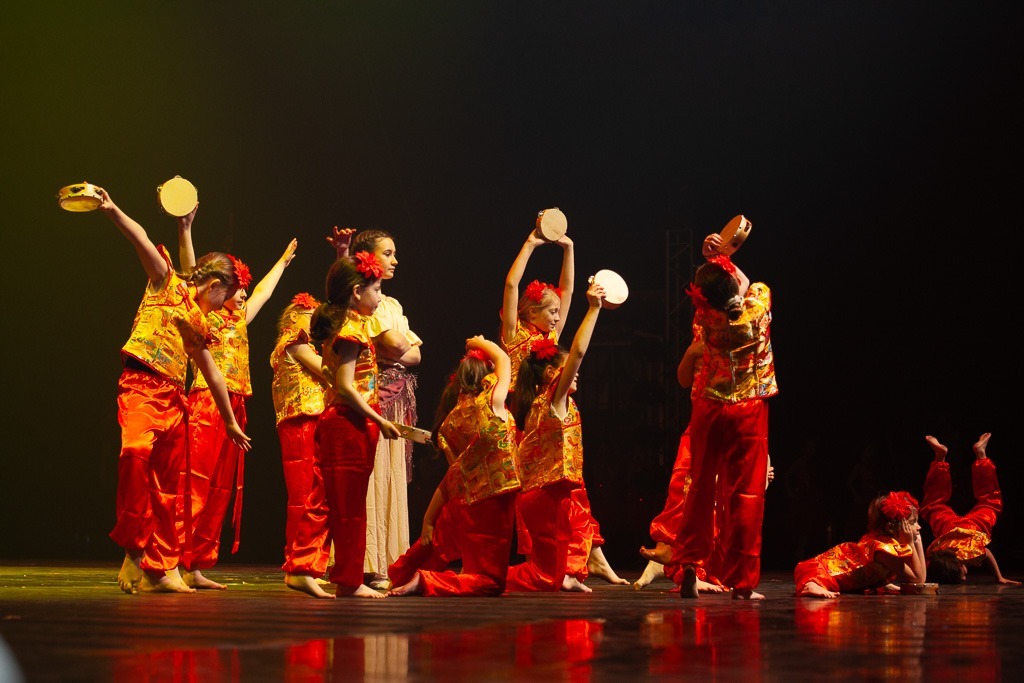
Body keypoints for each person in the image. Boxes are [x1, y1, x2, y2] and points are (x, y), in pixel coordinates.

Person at [93, 186, 251, 594]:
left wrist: (231, 423)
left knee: (172, 489)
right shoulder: (166, 283)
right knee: (135, 453)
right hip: (142, 386)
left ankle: (160, 569)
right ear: (213, 284)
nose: (223, 305)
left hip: (174, 399)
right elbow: (142, 240)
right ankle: (133, 550)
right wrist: (112, 209)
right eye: (224, 296)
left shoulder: (197, 321)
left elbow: (213, 374)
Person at [176, 211, 297, 589]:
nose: (243, 293)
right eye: (236, 288)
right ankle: (174, 561)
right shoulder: (204, 315)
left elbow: (264, 291)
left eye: (243, 289)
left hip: (236, 407)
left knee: (219, 490)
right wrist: (185, 230)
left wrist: (281, 262)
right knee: (195, 482)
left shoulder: (239, 319)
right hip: (206, 403)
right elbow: (191, 271)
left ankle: (196, 565)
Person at [502, 229, 627, 587]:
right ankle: (544, 562)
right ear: (531, 312)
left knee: (574, 488)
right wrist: (529, 244)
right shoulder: (514, 336)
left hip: (549, 421)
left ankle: (591, 556)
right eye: (552, 312)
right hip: (523, 423)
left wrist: (569, 248)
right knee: (533, 499)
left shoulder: (551, 343)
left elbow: (569, 291)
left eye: (558, 313)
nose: (558, 317)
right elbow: (512, 287)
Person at [283, 253, 402, 599]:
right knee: (349, 508)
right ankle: (348, 580)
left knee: (326, 500)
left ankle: (303, 568)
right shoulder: (349, 330)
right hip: (349, 421)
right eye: (376, 289)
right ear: (355, 292)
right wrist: (380, 419)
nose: (380, 296)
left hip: (344, 419)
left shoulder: (343, 324)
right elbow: (346, 384)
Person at [670, 232, 777, 600]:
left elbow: (717, 288)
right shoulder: (757, 306)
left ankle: (687, 564)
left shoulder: (705, 316)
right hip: (747, 407)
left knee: (700, 485)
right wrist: (724, 257)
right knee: (746, 493)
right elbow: (745, 286)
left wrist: (713, 257)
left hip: (709, 406)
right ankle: (742, 582)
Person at [388, 336, 521, 597]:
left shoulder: (451, 421)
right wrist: (479, 342)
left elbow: (453, 475)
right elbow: (504, 359)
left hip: (468, 504)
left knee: (475, 568)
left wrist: (429, 519)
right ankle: (427, 581)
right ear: (486, 377)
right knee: (491, 581)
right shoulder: (492, 403)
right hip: (496, 499)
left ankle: (413, 574)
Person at [328, 227, 423, 590]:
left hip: (393, 404)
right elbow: (395, 343)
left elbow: (412, 352)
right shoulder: (361, 312)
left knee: (390, 479)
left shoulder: (391, 305)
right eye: (387, 253)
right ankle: (359, 567)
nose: (394, 260)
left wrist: (395, 348)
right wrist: (393, 347)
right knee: (365, 485)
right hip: (372, 400)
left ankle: (384, 562)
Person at [505, 280, 605, 593]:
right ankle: (458, 578)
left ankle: (572, 575)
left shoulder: (539, 401)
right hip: (544, 496)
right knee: (543, 578)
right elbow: (577, 352)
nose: (574, 374)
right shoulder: (552, 399)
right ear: (551, 374)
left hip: (550, 492)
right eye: (564, 370)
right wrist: (594, 309)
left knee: (561, 559)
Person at [271, 292, 333, 580]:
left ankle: (308, 557)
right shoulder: (296, 343)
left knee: (309, 493)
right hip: (301, 422)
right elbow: (327, 371)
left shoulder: (296, 346)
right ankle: (298, 558)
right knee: (304, 494)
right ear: (295, 319)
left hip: (306, 421)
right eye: (312, 318)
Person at [920, 433, 1020, 585]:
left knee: (991, 503)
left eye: (962, 575)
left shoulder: (969, 555)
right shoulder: (938, 560)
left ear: (960, 566)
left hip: (976, 527)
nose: (965, 577)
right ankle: (940, 457)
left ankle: (981, 455)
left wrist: (999, 577)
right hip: (948, 527)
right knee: (933, 505)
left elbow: (987, 554)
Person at [794, 491, 927, 598]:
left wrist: (916, 540)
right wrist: (912, 542)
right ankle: (810, 586)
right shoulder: (883, 550)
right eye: (912, 523)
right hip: (817, 570)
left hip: (829, 573)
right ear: (892, 527)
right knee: (821, 580)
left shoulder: (884, 542)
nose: (918, 527)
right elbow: (919, 580)